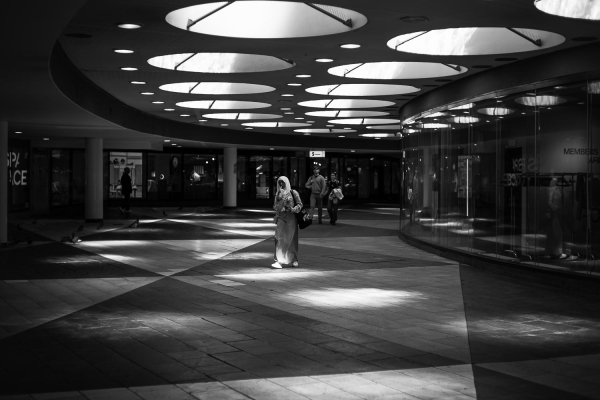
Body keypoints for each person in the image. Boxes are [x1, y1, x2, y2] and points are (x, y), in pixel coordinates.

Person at [272, 176, 303, 268]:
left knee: (291, 238)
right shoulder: (278, 193)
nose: (281, 184)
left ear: (287, 182)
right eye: (279, 182)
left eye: (282, 182)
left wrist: (293, 209)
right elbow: (275, 206)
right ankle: (278, 260)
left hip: (291, 217)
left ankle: (294, 259)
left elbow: (300, 204)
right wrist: (278, 200)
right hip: (281, 217)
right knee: (278, 238)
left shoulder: (293, 192)